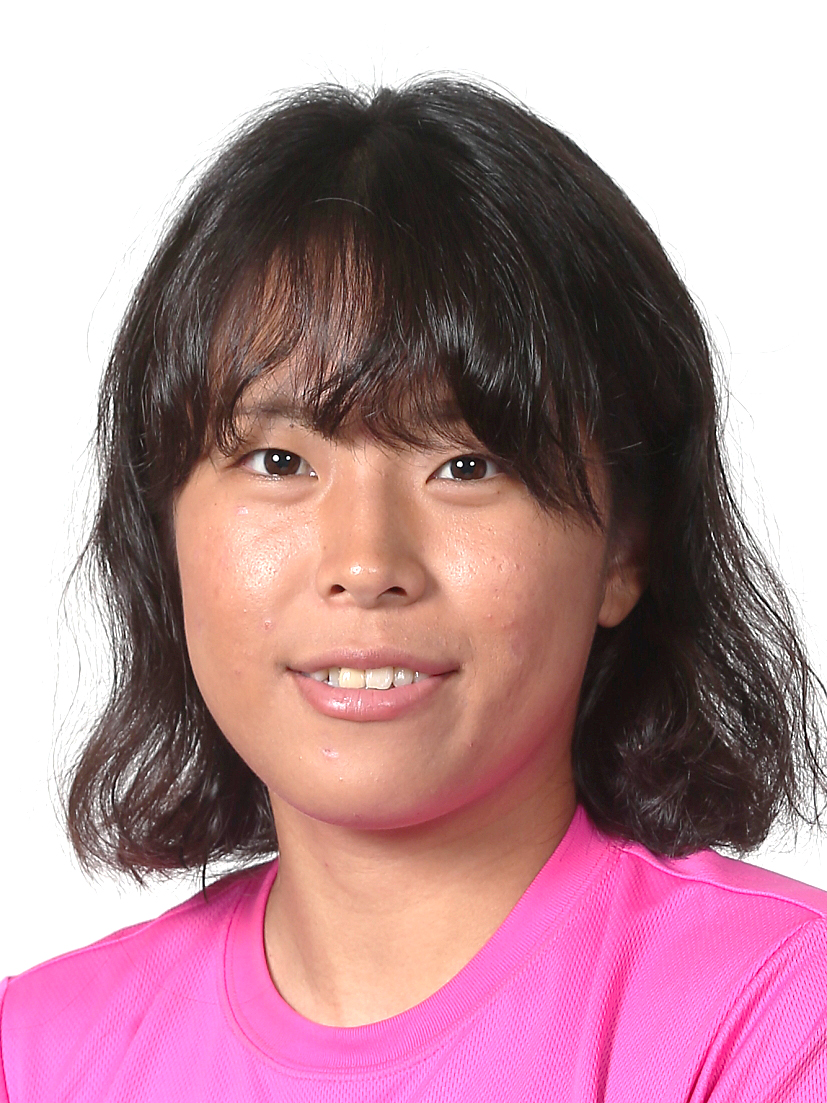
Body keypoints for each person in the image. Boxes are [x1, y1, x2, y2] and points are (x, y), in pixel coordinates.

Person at [1, 75, 826, 1101]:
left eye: (466, 465)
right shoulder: (35, 1056)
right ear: (161, 526)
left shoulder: (778, 1021)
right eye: (277, 460)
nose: (365, 561)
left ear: (624, 547)